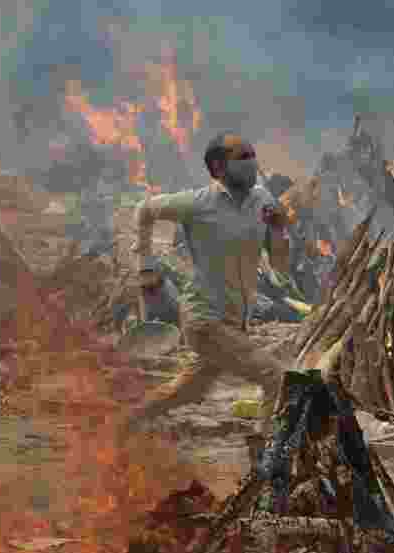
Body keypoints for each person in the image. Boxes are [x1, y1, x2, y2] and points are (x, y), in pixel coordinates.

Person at [122, 131, 292, 440]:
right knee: (273, 376)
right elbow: (143, 211)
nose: (251, 163)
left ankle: (127, 420)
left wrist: (279, 231)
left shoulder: (263, 201)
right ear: (217, 168)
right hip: (204, 319)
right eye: (242, 158)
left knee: (188, 391)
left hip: (234, 320)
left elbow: (280, 266)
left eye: (252, 155)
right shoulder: (198, 204)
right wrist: (145, 266)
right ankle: (267, 459)